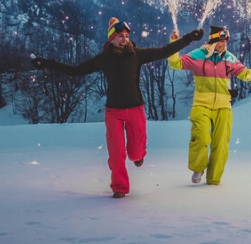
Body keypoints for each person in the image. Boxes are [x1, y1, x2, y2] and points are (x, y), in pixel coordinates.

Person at [30, 17, 203, 198]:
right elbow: (76, 71)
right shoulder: (104, 59)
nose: (124, 39)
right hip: (113, 112)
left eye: (126, 36)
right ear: (111, 38)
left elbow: (165, 51)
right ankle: (120, 188)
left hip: (135, 109)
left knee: (135, 152)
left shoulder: (136, 54)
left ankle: (138, 155)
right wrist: (48, 63)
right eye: (120, 36)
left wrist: (189, 38)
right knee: (116, 152)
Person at [168, 25, 251, 186]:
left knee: (221, 144)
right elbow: (175, 63)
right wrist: (175, 42)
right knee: (201, 137)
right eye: (221, 41)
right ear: (213, 40)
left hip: (223, 107)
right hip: (201, 105)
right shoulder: (198, 56)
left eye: (225, 41)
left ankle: (214, 179)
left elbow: (246, 75)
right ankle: (198, 167)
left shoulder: (229, 58)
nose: (223, 45)